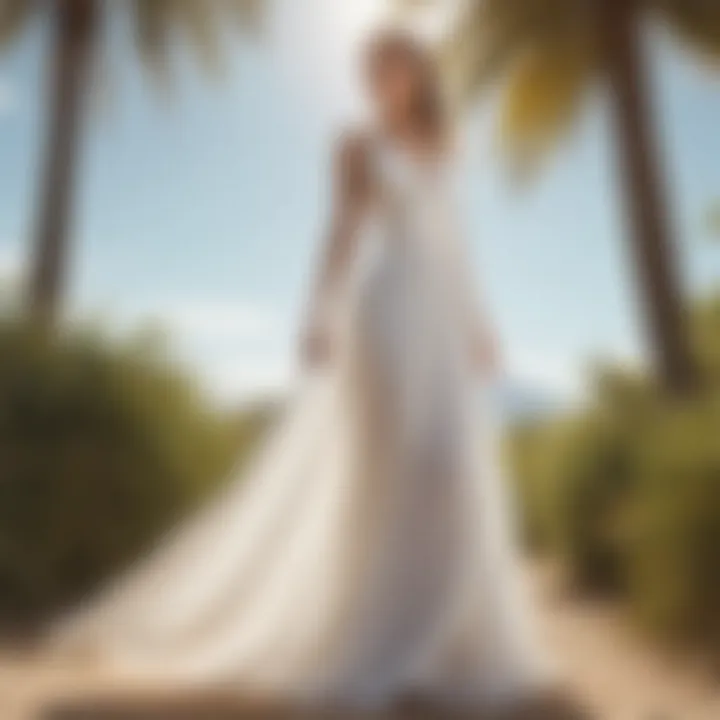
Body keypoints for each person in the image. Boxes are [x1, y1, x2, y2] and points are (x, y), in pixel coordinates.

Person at [56, 28, 552, 715]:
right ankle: (380, 646)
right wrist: (317, 313)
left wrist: (480, 325)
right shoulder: (355, 145)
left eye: (397, 66)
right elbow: (341, 232)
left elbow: (457, 246)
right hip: (381, 314)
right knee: (389, 476)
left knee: (448, 469)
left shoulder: (446, 146)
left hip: (439, 322)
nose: (385, 78)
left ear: (419, 74)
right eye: (373, 69)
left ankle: (442, 644)